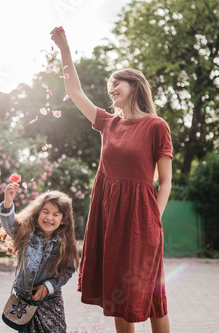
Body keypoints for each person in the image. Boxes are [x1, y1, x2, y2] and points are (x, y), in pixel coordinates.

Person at [50, 27, 173, 333]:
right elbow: (75, 91)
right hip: (109, 220)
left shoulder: (157, 126)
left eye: (116, 83)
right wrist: (64, 46)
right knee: (118, 294)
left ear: (135, 85)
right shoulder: (107, 123)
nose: (111, 89)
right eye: (109, 86)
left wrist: (153, 220)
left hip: (142, 220)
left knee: (152, 296)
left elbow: (166, 181)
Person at [0, 183, 79, 333]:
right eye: (45, 212)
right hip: (25, 301)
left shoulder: (66, 245)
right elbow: (9, 224)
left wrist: (48, 287)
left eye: (56, 214)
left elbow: (67, 271)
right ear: (37, 213)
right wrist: (8, 202)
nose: (49, 218)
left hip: (51, 302)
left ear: (64, 219)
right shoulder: (26, 233)